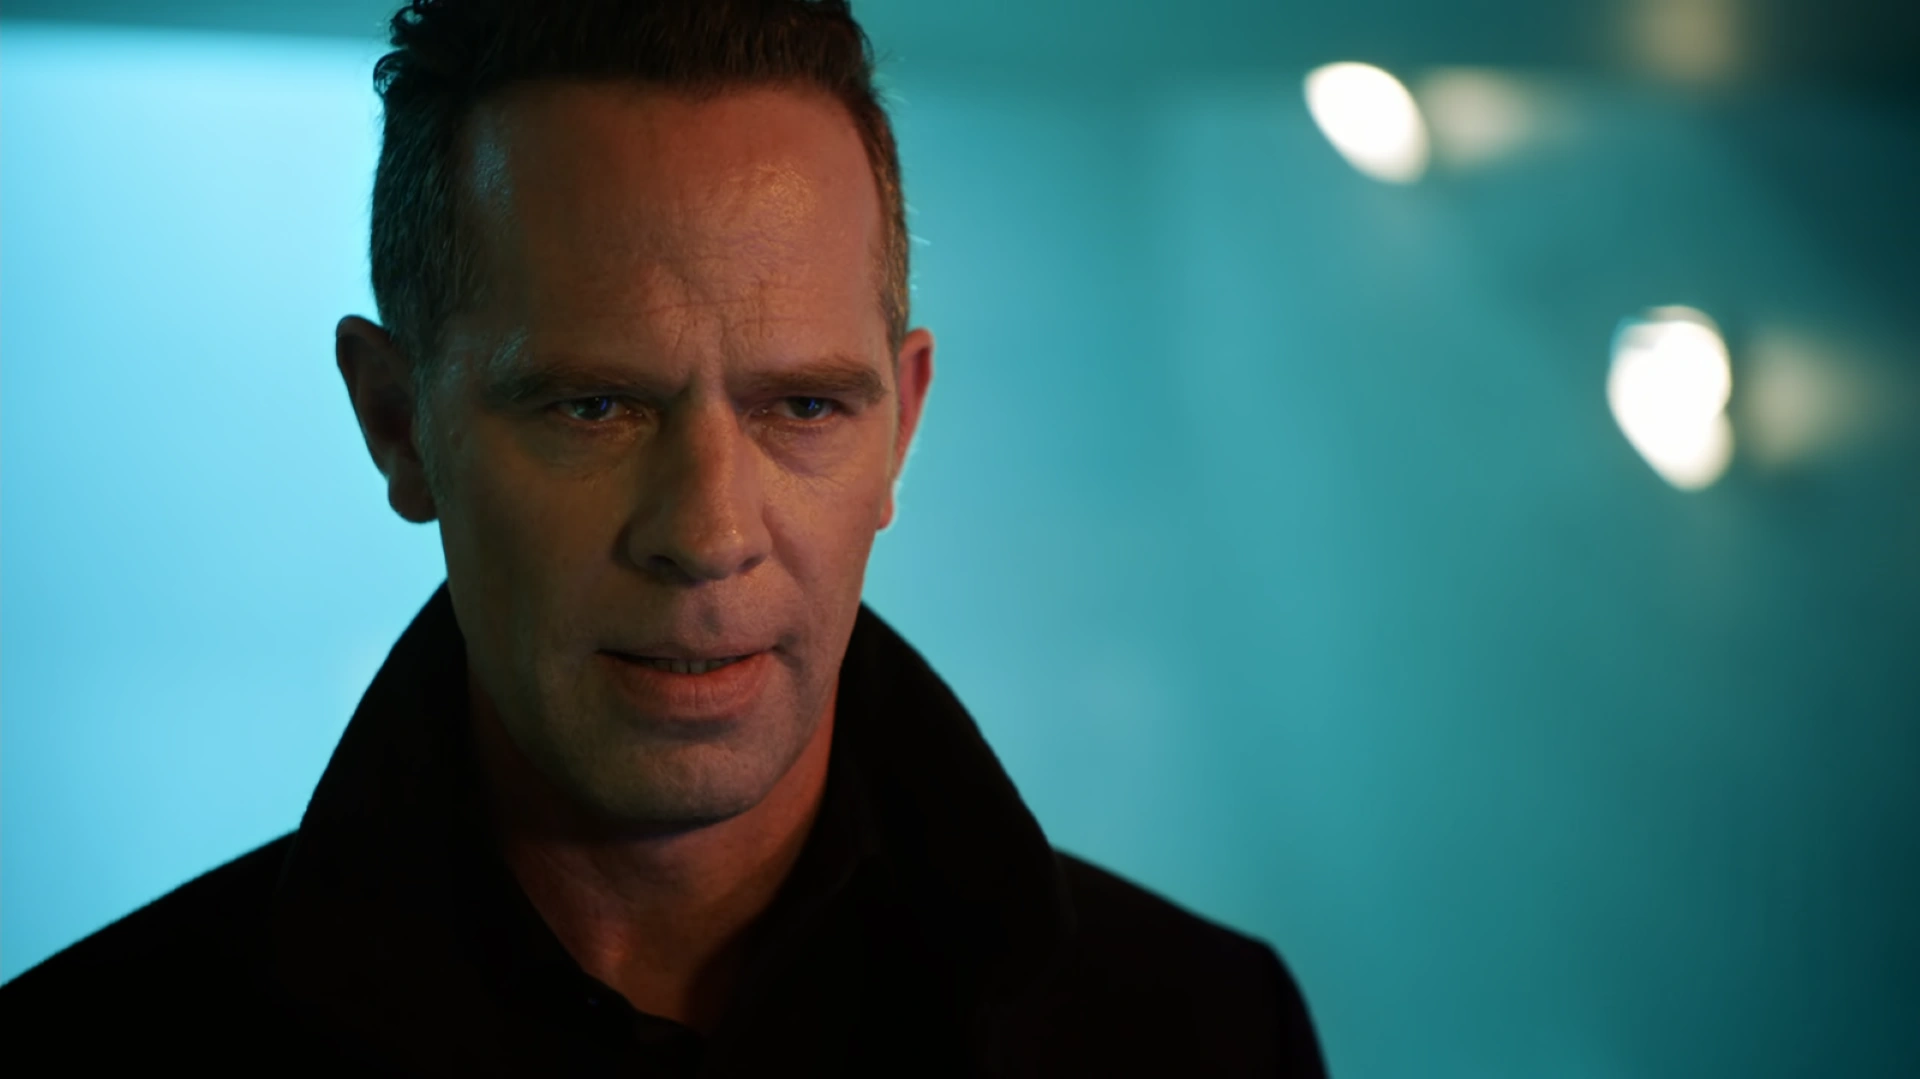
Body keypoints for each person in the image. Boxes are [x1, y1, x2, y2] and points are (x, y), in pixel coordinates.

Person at [1, 1, 1328, 1073]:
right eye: (594, 406)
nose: (706, 533)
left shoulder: (1203, 1034)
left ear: (902, 426)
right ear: (399, 424)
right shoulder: (92, 1048)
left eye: (803, 406)